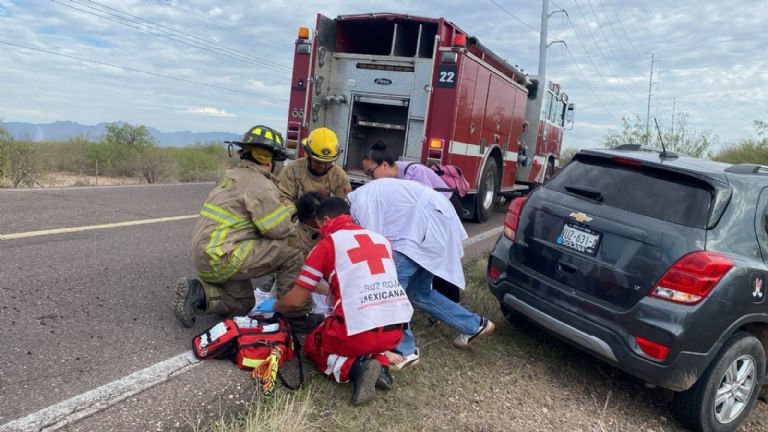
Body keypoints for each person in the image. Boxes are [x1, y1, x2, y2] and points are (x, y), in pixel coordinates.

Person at [251, 198, 414, 406]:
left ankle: (355, 370)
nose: (319, 231)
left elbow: (295, 301)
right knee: (365, 329)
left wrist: (273, 305)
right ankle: (380, 365)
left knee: (312, 345)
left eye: (319, 225)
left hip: (357, 334)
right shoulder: (381, 240)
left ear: (326, 220)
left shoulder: (327, 245)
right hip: (395, 332)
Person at [347, 178, 495, 367]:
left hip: (424, 227)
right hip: (434, 222)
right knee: (419, 293)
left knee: (391, 288)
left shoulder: (359, 204)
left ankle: (404, 349)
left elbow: (371, 243)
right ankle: (474, 325)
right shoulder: (364, 194)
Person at [173, 125, 305, 327]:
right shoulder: (259, 184)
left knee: (244, 303)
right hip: (224, 257)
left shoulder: (230, 176)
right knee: (293, 248)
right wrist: (291, 210)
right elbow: (278, 229)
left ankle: (198, 292)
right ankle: (293, 316)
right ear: (268, 160)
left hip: (206, 257)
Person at [361, 140, 470, 218]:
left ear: (385, 165)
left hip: (448, 210)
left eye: (371, 172)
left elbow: (426, 205)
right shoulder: (393, 173)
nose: (370, 178)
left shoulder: (414, 173)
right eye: (367, 174)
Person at [276, 127, 352, 206]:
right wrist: (298, 214)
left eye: (327, 162)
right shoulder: (292, 171)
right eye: (318, 161)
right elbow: (281, 198)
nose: (322, 166)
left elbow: (342, 206)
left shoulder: (340, 178)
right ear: (309, 155)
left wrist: (329, 197)